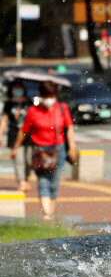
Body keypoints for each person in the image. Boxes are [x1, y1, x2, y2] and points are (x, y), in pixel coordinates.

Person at [11, 81, 77, 220]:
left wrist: (72, 147)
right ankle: (47, 214)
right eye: (46, 96)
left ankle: (50, 212)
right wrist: (15, 148)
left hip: (58, 150)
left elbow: (69, 128)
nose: (49, 99)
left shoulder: (61, 107)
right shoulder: (33, 111)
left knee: (54, 182)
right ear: (41, 95)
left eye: (51, 95)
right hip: (39, 151)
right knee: (42, 181)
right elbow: (23, 131)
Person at [0, 80, 32, 191]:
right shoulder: (9, 104)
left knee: (29, 160)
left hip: (28, 135)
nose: (18, 90)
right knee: (19, 160)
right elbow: (4, 120)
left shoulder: (28, 102)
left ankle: (26, 179)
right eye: (15, 88)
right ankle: (21, 181)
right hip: (14, 135)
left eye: (20, 87)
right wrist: (0, 134)